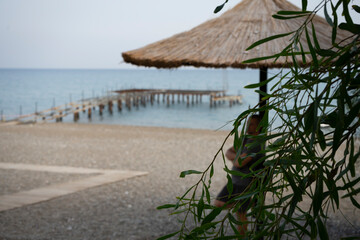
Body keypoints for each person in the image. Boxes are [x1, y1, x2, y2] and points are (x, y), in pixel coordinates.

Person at [214, 114, 264, 236]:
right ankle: (250, 203)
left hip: (244, 184)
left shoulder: (256, 145)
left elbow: (238, 162)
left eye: (251, 124)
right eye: (247, 123)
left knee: (241, 216)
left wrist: (235, 158)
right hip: (235, 181)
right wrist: (236, 158)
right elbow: (228, 152)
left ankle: (241, 237)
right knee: (219, 203)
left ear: (258, 127)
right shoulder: (245, 140)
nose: (248, 126)